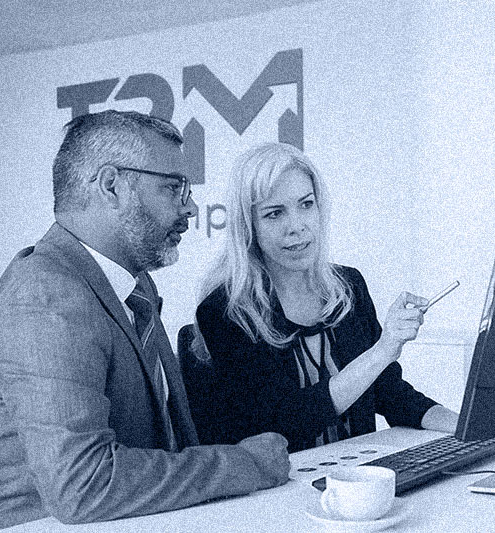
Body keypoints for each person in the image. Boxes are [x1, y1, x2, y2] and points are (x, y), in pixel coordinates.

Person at [0, 111, 290, 530]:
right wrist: (245, 465)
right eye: (173, 187)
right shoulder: (44, 296)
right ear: (111, 186)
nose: (190, 207)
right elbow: (84, 485)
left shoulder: (135, 285)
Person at [192, 142, 459, 452]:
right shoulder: (224, 311)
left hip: (356, 473)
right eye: (274, 213)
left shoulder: (348, 286)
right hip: (280, 479)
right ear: (248, 226)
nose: (297, 226)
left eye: (306, 204)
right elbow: (282, 423)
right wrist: (381, 351)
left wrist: (474, 427)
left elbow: (392, 395)